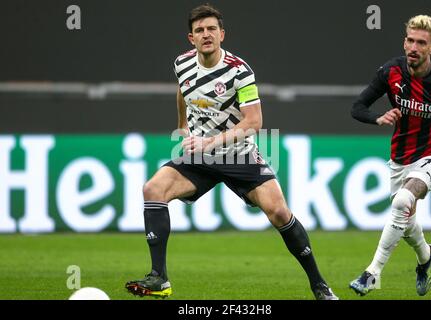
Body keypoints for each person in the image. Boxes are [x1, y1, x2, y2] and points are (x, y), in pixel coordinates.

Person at [125, 3, 338, 300]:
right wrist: (182, 125)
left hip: (238, 154)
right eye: (199, 30)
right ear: (191, 38)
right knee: (153, 189)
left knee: (279, 212)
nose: (206, 34)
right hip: (200, 155)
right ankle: (159, 278)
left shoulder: (240, 72)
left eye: (211, 28)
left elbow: (254, 121)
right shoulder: (182, 63)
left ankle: (319, 285)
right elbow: (182, 90)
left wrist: (208, 143)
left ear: (222, 34)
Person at [349, 15, 431, 297]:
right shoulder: (390, 72)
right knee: (404, 222)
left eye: (421, 43)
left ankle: (372, 273)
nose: (414, 47)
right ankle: (426, 255)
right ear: (404, 41)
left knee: (404, 200)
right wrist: (377, 117)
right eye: (410, 40)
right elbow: (357, 107)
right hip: (400, 158)